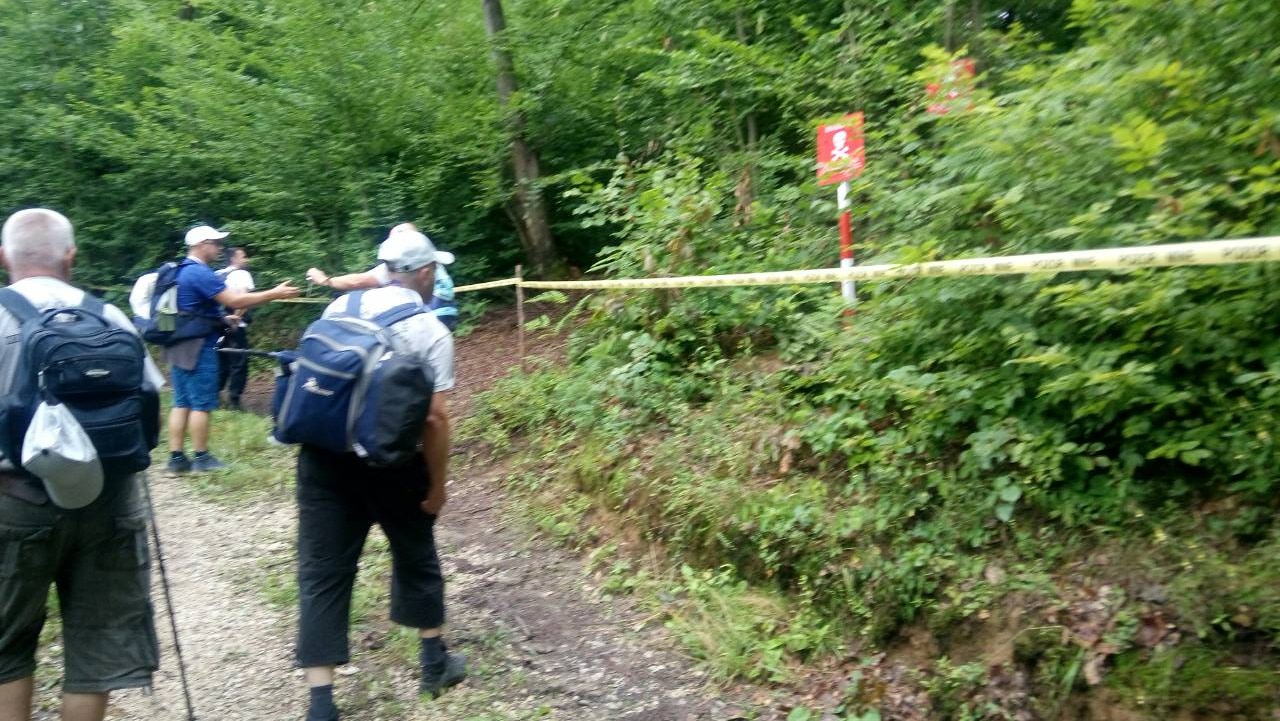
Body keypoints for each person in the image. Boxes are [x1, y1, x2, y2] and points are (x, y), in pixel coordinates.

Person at [0, 208, 167, 721]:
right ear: (70, 257)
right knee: (97, 651)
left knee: (5, 648)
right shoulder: (109, 316)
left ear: (4, 257)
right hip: (109, 502)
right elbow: (149, 407)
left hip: (13, 502)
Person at [296, 229, 464, 721]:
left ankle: (321, 704)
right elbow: (435, 419)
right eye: (436, 270)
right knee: (415, 553)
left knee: (322, 572)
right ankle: (434, 664)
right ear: (426, 273)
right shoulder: (431, 330)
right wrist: (437, 486)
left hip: (324, 460)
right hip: (395, 464)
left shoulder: (339, 308)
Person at [166, 225, 299, 473]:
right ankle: (202, 458)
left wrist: (222, 319)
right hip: (198, 346)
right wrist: (274, 293)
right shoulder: (199, 272)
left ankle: (176, 459)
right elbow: (235, 300)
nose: (220, 248)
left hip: (178, 343)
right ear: (202, 244)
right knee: (201, 404)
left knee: (181, 402)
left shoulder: (181, 270)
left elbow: (191, 309)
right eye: (216, 243)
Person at [305, 223, 459, 330]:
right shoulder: (429, 259)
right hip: (447, 313)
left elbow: (356, 282)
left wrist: (326, 281)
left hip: (426, 317)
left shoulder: (400, 267)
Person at [216, 247, 255, 411]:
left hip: (218, 324)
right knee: (239, 361)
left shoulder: (218, 274)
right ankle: (234, 400)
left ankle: (216, 395)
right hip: (235, 324)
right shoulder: (242, 274)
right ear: (233, 258)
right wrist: (236, 320)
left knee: (221, 359)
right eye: (243, 256)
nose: (246, 259)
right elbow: (244, 300)